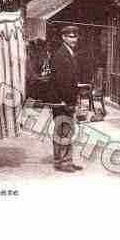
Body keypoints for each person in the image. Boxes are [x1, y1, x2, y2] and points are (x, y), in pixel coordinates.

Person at [50, 25, 84, 173]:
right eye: (70, 36)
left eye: (75, 36)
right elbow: (58, 80)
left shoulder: (69, 53)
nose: (74, 39)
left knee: (63, 130)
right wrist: (64, 100)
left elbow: (69, 79)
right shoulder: (61, 55)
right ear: (63, 37)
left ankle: (62, 160)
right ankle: (64, 162)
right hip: (63, 99)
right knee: (64, 130)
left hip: (66, 98)